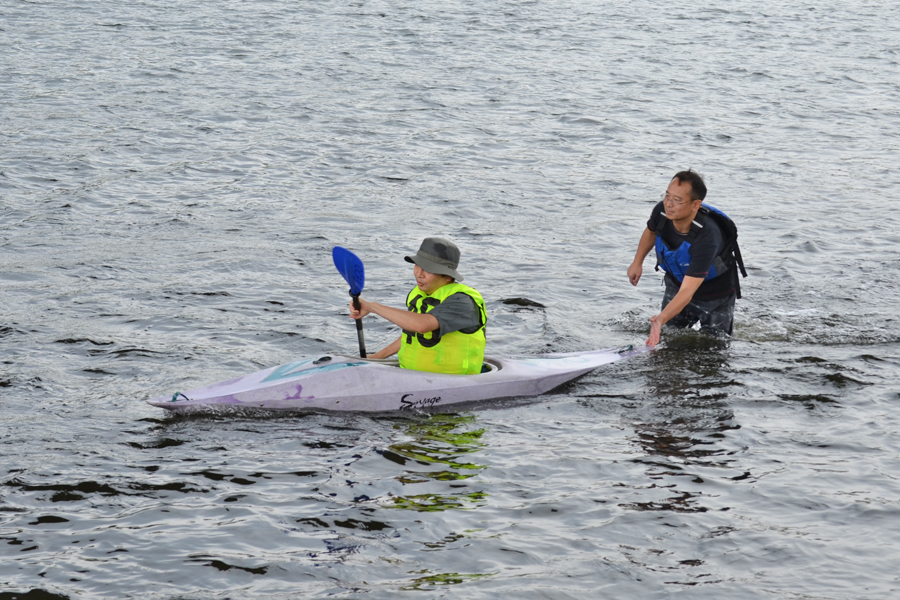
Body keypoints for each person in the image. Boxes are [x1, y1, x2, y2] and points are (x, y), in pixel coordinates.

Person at [627, 169, 747, 347]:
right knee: (668, 338)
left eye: (677, 200)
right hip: (677, 282)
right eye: (667, 196)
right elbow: (651, 231)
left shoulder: (707, 237)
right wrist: (637, 262)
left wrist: (660, 319)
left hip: (715, 294)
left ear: (695, 205)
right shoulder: (662, 212)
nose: (669, 204)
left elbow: (688, 291)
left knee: (714, 346)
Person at [348, 237, 487, 375]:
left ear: (448, 276)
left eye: (428, 269)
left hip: (453, 382)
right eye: (418, 266)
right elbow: (411, 334)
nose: (419, 274)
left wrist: (373, 307)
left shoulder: (463, 302)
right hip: (413, 376)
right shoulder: (420, 293)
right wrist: (377, 357)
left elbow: (421, 325)